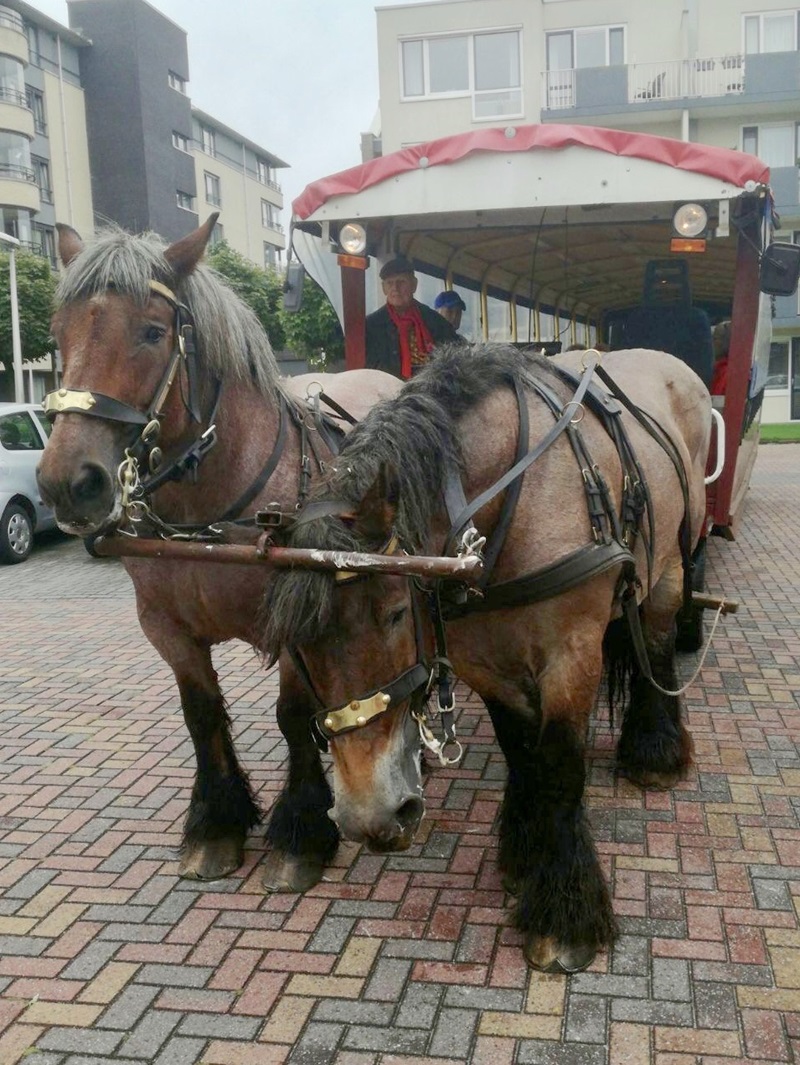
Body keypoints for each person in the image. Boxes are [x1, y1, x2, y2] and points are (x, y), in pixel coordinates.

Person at [365, 256, 457, 379]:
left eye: (401, 282)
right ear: (383, 288)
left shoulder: (435, 321)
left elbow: (455, 355)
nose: (395, 288)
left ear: (414, 284)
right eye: (389, 283)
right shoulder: (371, 325)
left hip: (430, 388)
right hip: (388, 390)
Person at [710, 320, 730, 394]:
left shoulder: (725, 372)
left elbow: (714, 399)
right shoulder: (717, 367)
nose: (711, 342)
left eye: (715, 338)